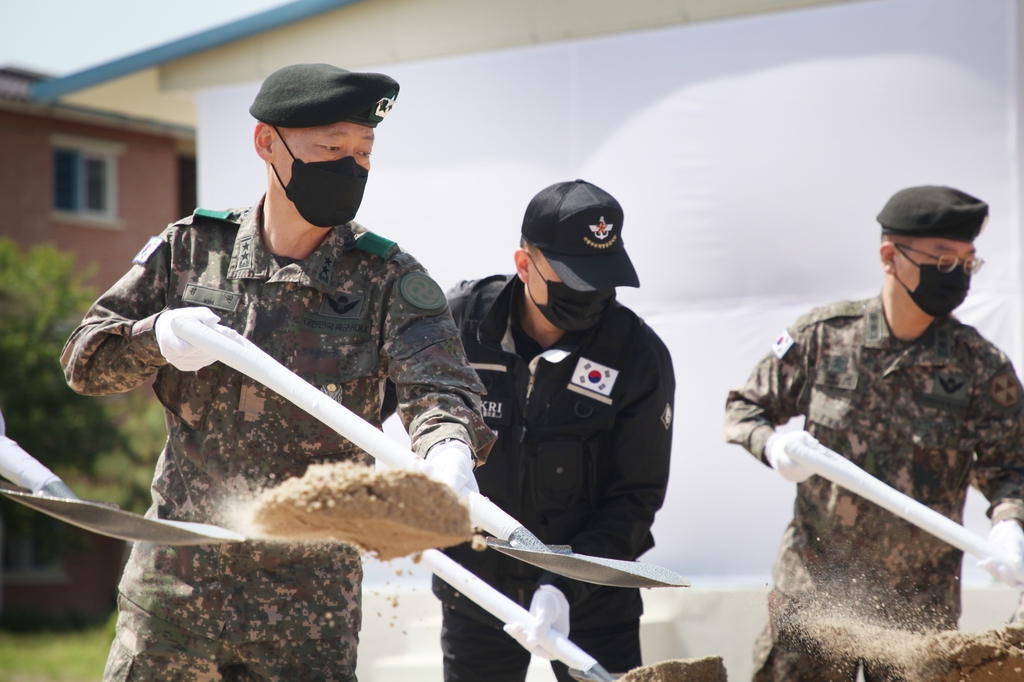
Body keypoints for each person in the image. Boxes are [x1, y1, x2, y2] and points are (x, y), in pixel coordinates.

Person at [61, 63, 494, 682]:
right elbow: (85, 362)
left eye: (363, 152)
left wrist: (449, 450)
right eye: (330, 147)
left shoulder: (388, 278)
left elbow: (441, 391)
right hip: (176, 592)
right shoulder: (191, 250)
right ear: (268, 142)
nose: (350, 166)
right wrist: (154, 336)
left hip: (307, 611)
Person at [723, 186, 1024, 682]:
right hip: (815, 591)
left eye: (968, 263)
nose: (958, 275)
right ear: (890, 256)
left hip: (918, 605)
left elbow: (1010, 469)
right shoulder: (822, 337)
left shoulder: (980, 367)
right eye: (943, 260)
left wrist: (1009, 523)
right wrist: (772, 445)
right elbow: (745, 407)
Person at [432, 179, 676, 681]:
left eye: (601, 279)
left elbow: (635, 497)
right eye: (573, 278)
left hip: (595, 602)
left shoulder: (636, 355)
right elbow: (379, 409)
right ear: (525, 265)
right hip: (476, 591)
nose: (589, 295)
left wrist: (565, 585)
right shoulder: (458, 323)